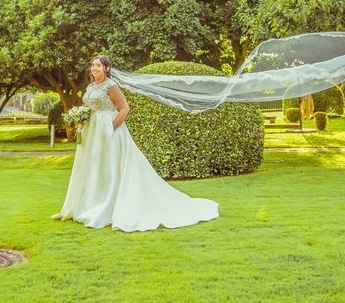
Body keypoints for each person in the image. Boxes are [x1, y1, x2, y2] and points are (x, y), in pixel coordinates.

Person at [52, 55, 219, 231]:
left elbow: (124, 108)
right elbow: (90, 107)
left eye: (98, 65)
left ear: (107, 69)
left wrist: (111, 128)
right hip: (91, 130)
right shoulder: (91, 86)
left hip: (109, 130)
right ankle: (89, 204)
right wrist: (81, 118)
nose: (94, 68)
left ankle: (109, 205)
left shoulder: (111, 86)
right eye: (93, 65)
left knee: (109, 167)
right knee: (94, 166)